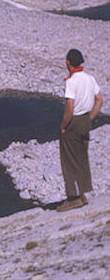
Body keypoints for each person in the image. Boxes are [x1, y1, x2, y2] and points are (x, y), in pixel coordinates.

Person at [56, 49, 103, 212]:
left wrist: (63, 126)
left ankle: (73, 198)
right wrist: (90, 118)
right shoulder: (90, 78)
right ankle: (82, 194)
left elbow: (70, 107)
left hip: (74, 123)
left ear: (68, 62)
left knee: (69, 160)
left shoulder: (71, 81)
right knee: (82, 157)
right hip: (85, 121)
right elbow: (99, 100)